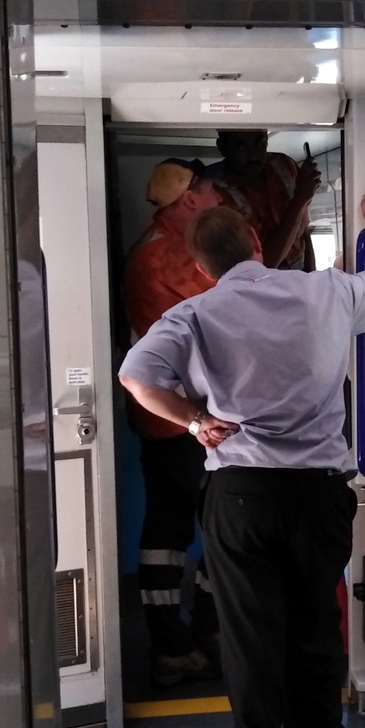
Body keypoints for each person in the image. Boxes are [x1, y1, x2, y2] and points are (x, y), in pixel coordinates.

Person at [118, 174, 365, 728]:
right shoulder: (326, 292)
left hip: (242, 493)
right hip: (321, 493)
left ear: (200, 265)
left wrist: (194, 421)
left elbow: (134, 374)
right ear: (253, 240)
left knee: (251, 638)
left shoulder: (195, 311)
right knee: (315, 628)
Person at [121, 160, 224, 687]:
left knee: (164, 529)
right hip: (188, 419)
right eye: (210, 189)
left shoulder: (148, 245)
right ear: (189, 198)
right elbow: (233, 308)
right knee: (222, 526)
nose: (216, 196)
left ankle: (168, 645)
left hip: (155, 418)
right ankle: (210, 631)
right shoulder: (173, 254)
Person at [198, 129, 323, 271]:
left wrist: (311, 276)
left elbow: (303, 231)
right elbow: (262, 266)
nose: (253, 154)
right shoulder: (212, 193)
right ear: (222, 147)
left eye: (259, 143)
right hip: (256, 283)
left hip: (299, 273)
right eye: (240, 146)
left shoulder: (284, 166)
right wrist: (299, 200)